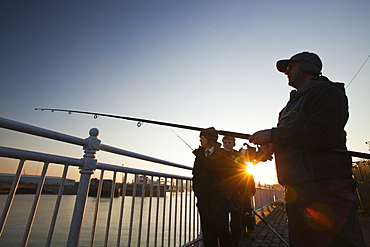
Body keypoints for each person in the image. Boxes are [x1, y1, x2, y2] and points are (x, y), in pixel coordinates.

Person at [249, 51, 366, 247]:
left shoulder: (327, 92)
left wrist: (274, 135)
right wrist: (272, 145)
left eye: (291, 66)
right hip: (296, 189)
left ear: (308, 67)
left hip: (325, 188)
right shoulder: (290, 105)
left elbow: (323, 134)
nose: (287, 71)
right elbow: (296, 137)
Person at [192, 127, 233, 247]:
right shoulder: (200, 155)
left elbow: (231, 176)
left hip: (220, 201)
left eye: (202, 138)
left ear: (209, 139)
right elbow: (196, 175)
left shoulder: (223, 155)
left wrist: (227, 194)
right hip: (204, 200)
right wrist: (198, 193)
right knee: (208, 233)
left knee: (223, 232)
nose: (200, 140)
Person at [222, 136, 256, 245]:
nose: (227, 144)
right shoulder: (219, 154)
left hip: (238, 191)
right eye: (225, 142)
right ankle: (226, 240)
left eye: (229, 142)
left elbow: (245, 169)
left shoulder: (238, 155)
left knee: (238, 217)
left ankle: (236, 239)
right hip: (224, 191)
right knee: (223, 218)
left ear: (233, 144)